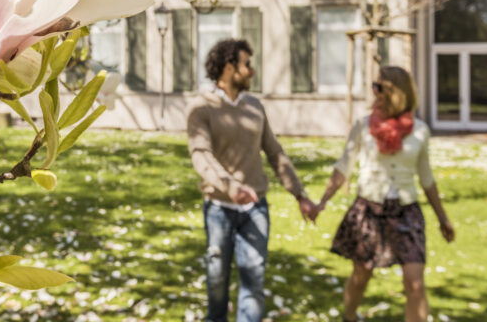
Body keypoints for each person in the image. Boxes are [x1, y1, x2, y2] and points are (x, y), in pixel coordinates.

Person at [311, 66, 455, 322]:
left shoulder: (419, 130)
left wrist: (443, 218)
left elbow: (427, 178)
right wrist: (322, 201)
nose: (373, 92)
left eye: (378, 87)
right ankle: (350, 317)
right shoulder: (362, 126)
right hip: (370, 210)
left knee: (415, 282)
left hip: (406, 211)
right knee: (360, 276)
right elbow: (344, 167)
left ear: (396, 91)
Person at [186, 38, 316, 322]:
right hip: (219, 208)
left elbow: (275, 152)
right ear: (229, 67)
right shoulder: (201, 107)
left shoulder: (255, 106)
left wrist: (300, 194)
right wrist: (229, 186)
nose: (252, 70)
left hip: (255, 208)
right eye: (247, 64)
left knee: (254, 281)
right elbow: (201, 155)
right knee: (217, 280)